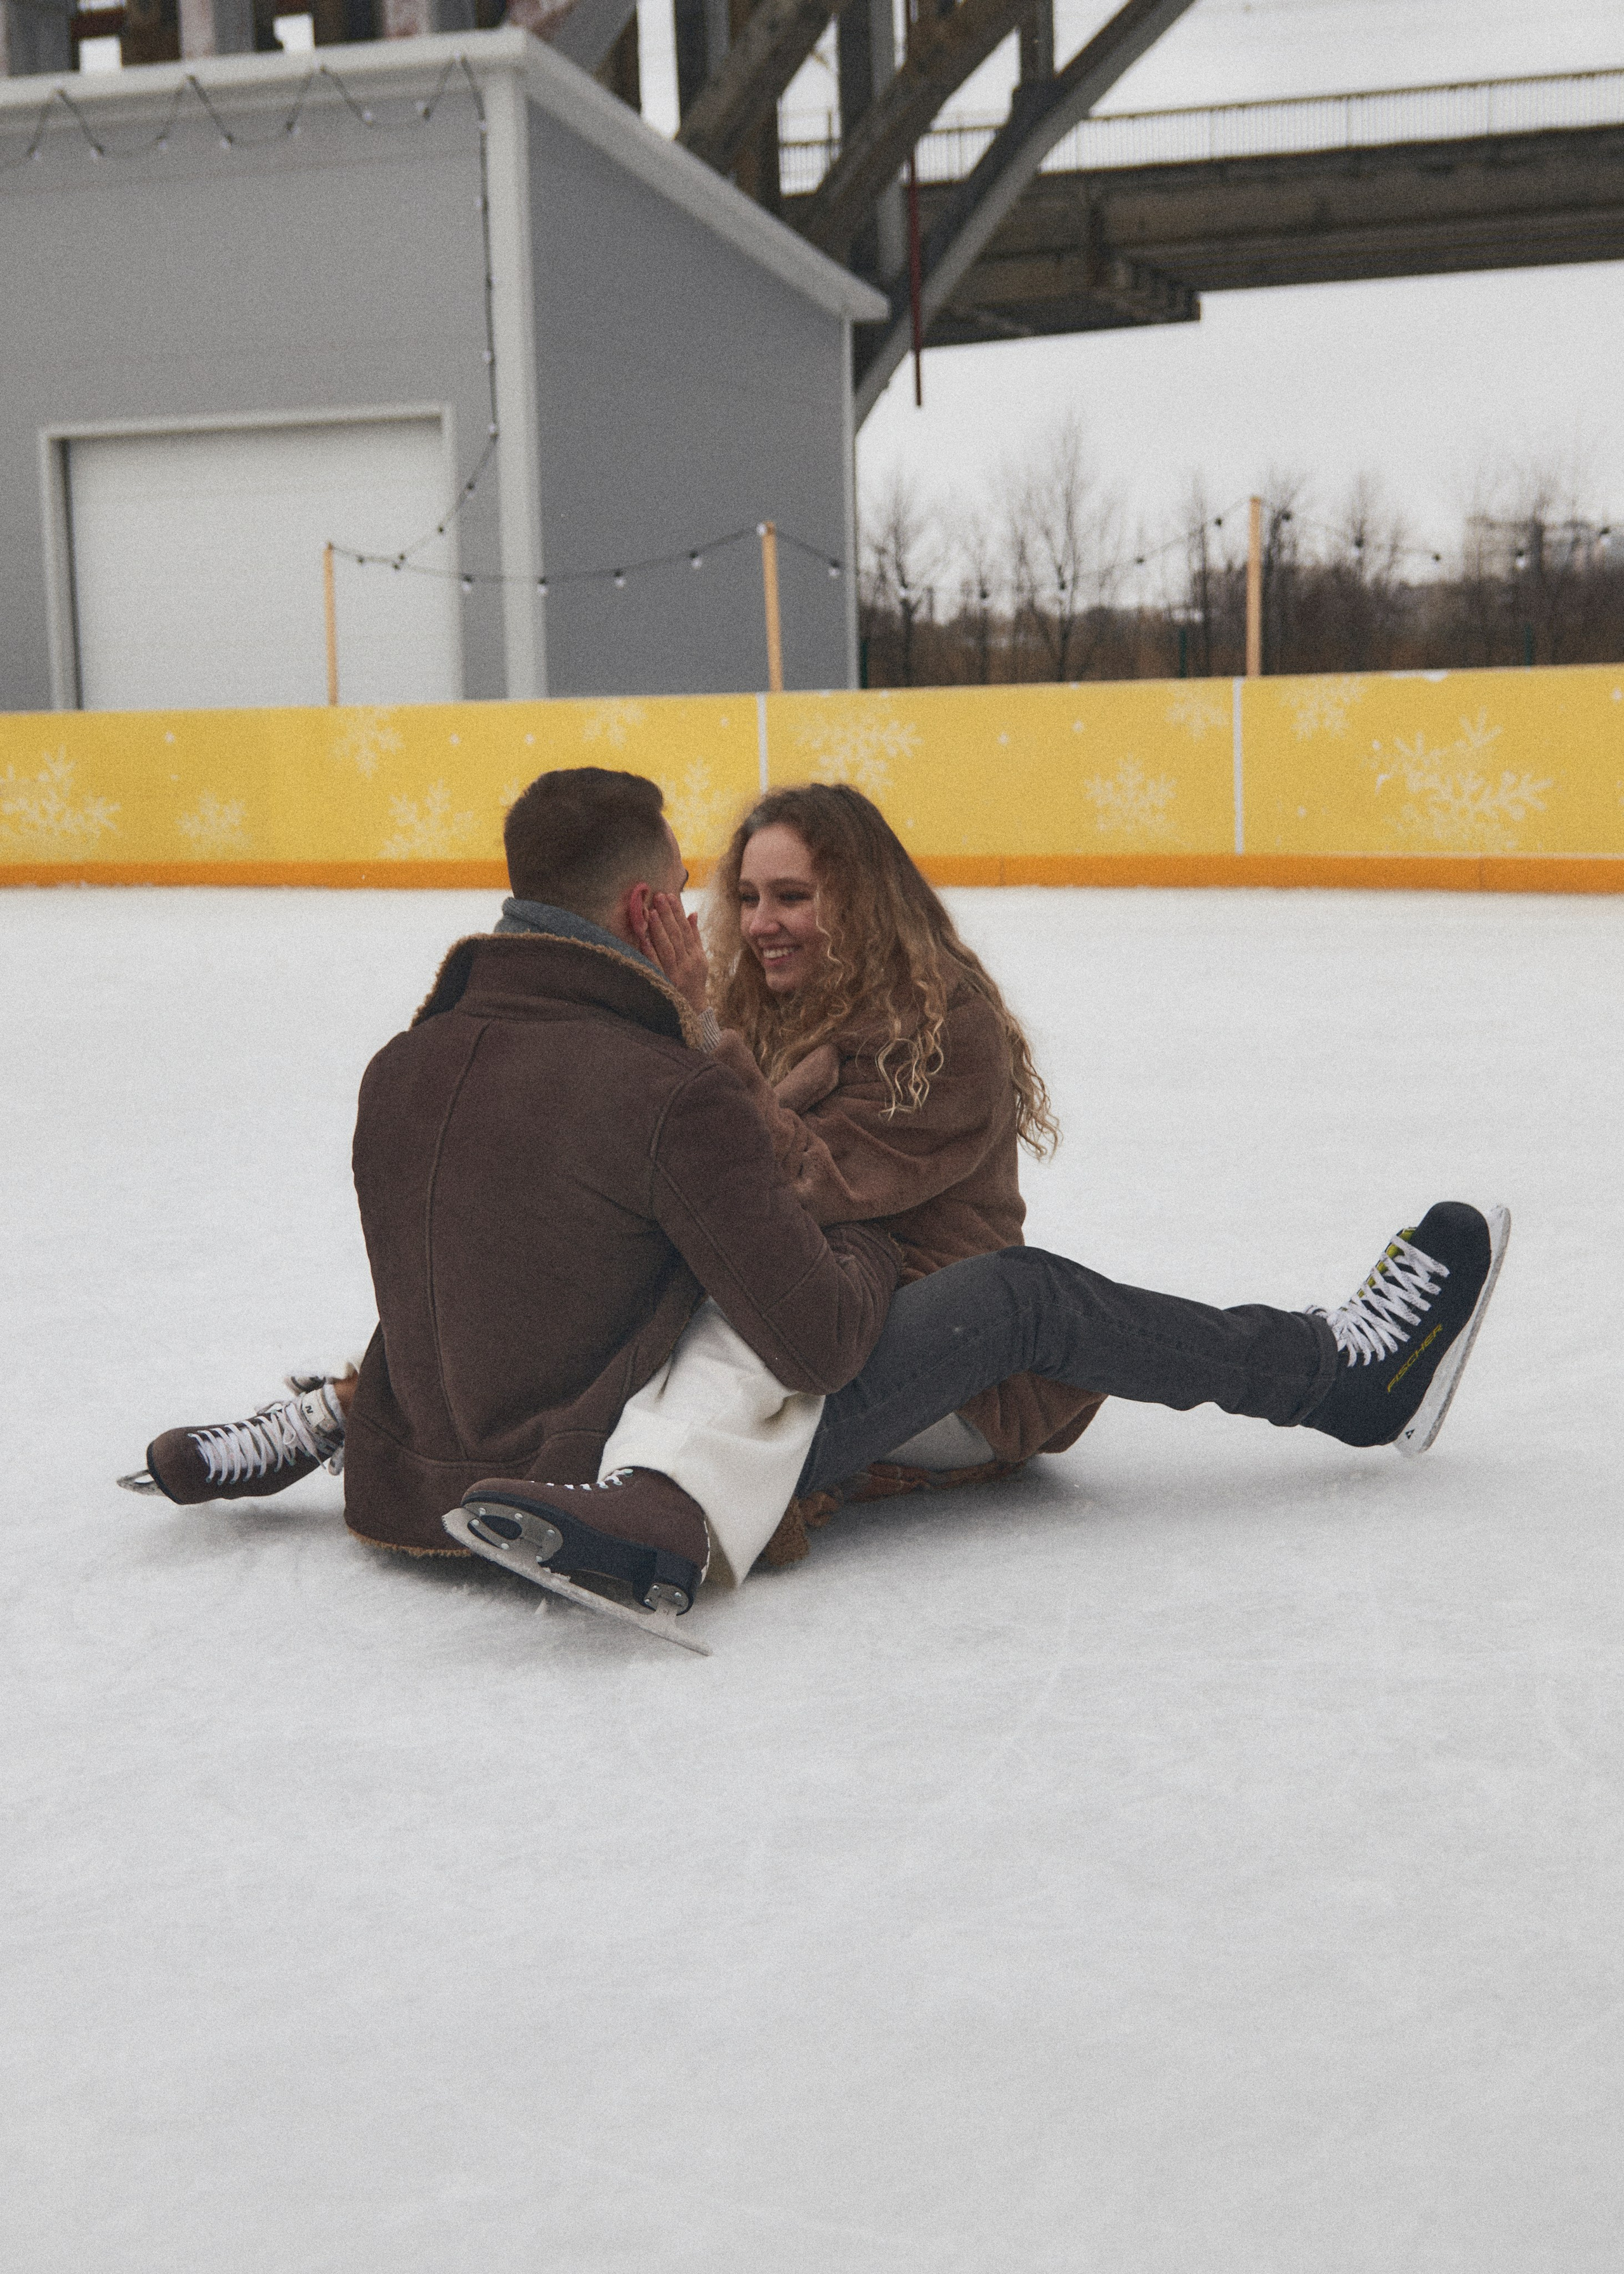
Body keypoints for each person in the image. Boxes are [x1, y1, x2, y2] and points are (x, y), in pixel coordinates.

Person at [124, 770, 1509, 1647]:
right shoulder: (727, 1009)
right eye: (747, 896)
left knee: (1024, 1295)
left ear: (865, 899)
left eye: (796, 896)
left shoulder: (943, 1030)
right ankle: (346, 1405)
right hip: (759, 1352)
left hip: (932, 1360)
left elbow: (826, 1197)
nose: (765, 922)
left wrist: (698, 1058)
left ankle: (1343, 1370)